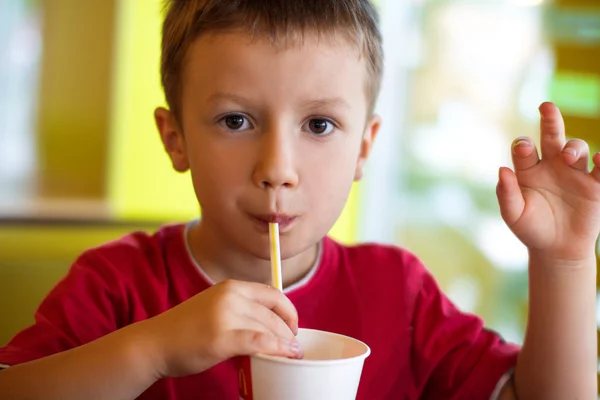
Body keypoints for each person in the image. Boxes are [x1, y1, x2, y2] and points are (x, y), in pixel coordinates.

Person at [0, 0, 598, 398]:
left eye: (318, 125)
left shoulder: (399, 292)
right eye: (235, 120)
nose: (277, 169)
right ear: (174, 137)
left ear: (365, 148)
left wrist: (563, 263)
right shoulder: (117, 286)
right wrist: (152, 348)